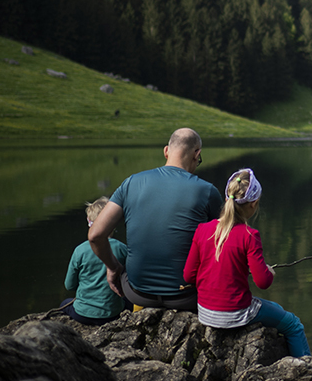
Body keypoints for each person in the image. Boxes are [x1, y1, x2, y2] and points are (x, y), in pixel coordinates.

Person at [89, 128, 221, 310]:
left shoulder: (131, 183)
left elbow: (95, 235)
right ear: (196, 154)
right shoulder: (207, 191)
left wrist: (113, 268)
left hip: (138, 293)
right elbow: (227, 240)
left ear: (166, 151)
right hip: (188, 296)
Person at [183, 168, 310, 357]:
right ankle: (307, 368)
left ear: (227, 199)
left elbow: (188, 275)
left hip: (206, 312)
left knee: (277, 309)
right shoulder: (250, 236)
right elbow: (263, 282)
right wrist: (268, 272)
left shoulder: (202, 229)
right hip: (236, 314)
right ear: (254, 204)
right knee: (293, 324)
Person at [61, 197, 129, 325]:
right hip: (113, 314)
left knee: (64, 304)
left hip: (82, 314)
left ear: (89, 222)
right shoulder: (122, 248)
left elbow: (69, 285)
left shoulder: (79, 251)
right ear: (113, 223)